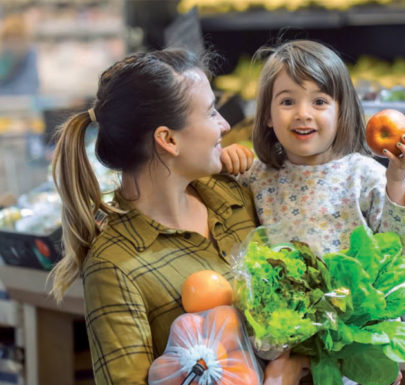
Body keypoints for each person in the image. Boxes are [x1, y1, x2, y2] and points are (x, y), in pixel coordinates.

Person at [49, 48, 308, 385]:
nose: (225, 125)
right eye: (212, 112)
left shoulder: (233, 195)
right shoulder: (115, 267)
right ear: (168, 139)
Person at [221, 40, 405, 256]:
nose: (303, 114)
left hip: (355, 290)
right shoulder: (255, 177)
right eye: (287, 102)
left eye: (319, 102)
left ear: (341, 111)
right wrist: (222, 163)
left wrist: (397, 181)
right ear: (268, 115)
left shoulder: (365, 177)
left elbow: (402, 249)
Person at [0, 13, 39, 95]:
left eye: (17, 40)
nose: (13, 45)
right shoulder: (4, 56)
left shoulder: (30, 54)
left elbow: (30, 88)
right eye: (9, 40)